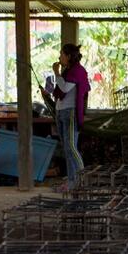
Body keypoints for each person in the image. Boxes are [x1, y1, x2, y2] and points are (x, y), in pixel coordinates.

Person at [43, 43, 90, 192]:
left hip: (70, 113)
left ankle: (82, 178)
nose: (59, 57)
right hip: (61, 111)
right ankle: (72, 181)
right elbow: (59, 89)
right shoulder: (68, 71)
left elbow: (64, 88)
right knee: (67, 149)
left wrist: (56, 73)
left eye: (61, 54)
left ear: (68, 56)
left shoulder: (77, 71)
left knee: (71, 147)